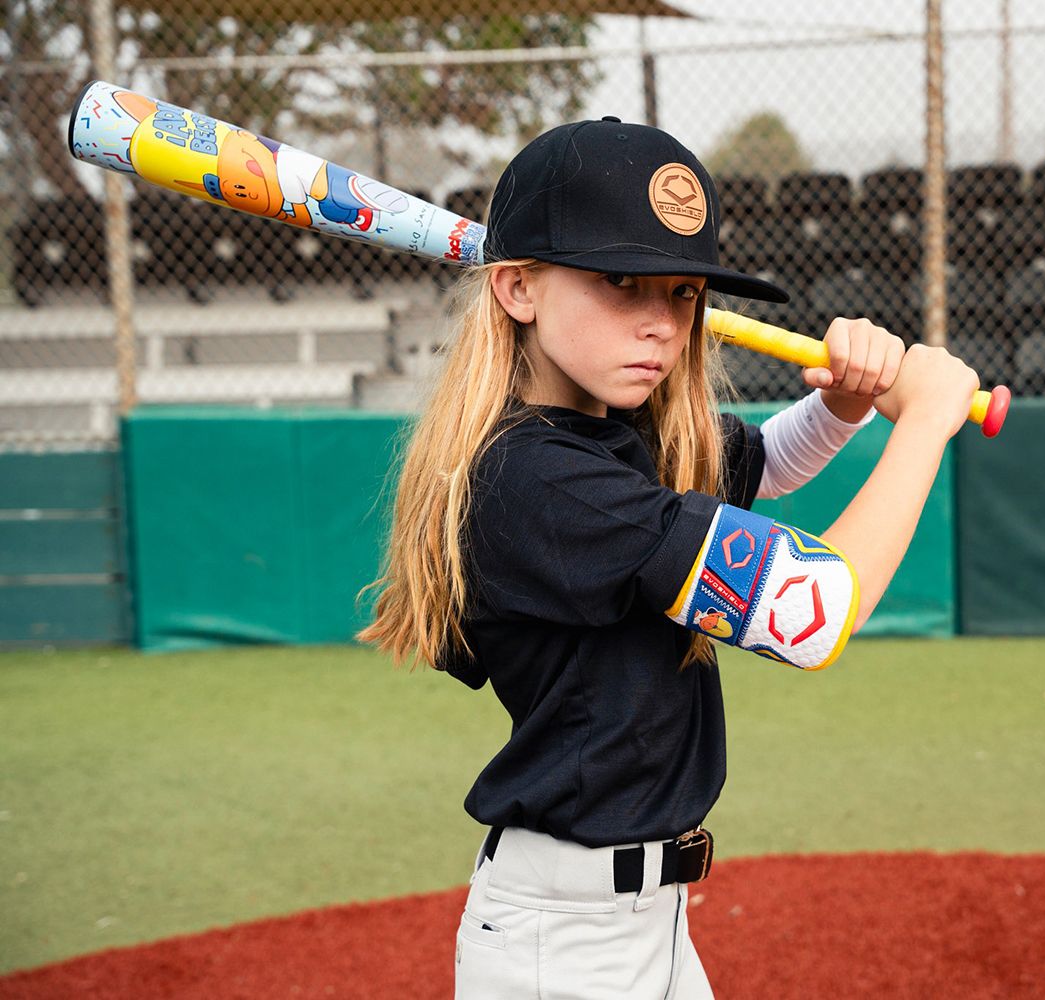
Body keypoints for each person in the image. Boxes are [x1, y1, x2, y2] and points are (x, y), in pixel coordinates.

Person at [357, 116, 978, 1000]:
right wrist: (922, 424)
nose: (662, 324)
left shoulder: (610, 439)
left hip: (647, 925)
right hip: (563, 951)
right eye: (621, 282)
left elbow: (761, 464)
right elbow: (812, 613)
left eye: (682, 292)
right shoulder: (539, 480)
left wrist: (844, 407)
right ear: (518, 289)